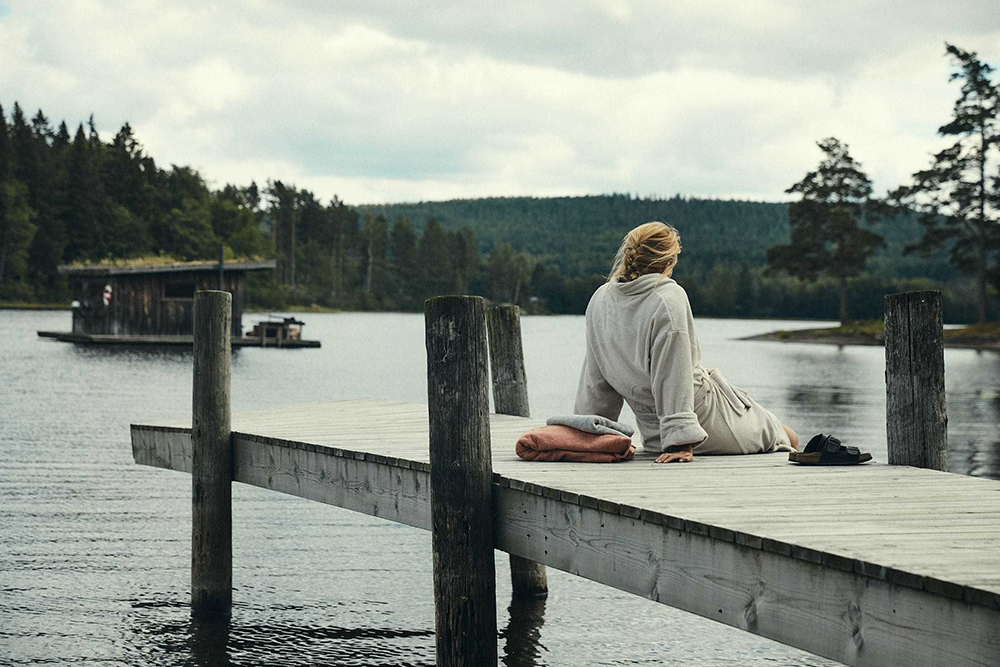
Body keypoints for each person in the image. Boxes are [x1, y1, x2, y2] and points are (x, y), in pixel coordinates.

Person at [574, 221, 798, 464]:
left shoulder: (600, 299)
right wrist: (681, 441)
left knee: (783, 436)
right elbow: (674, 373)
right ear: (668, 262)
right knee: (789, 437)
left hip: (656, 436)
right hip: (705, 424)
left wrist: (589, 432)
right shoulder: (668, 297)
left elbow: (596, 380)